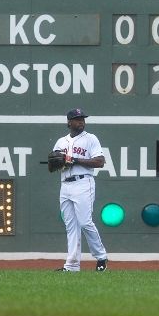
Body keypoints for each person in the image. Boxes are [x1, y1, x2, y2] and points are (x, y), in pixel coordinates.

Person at [52, 108, 108, 272]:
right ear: (69, 122)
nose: (81, 121)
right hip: (65, 184)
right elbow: (53, 165)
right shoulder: (61, 142)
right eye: (77, 119)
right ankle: (72, 265)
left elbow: (100, 162)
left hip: (83, 182)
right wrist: (59, 162)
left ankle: (101, 257)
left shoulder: (90, 139)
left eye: (82, 118)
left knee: (84, 222)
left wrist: (74, 160)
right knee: (71, 226)